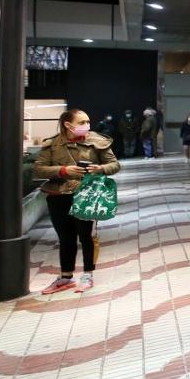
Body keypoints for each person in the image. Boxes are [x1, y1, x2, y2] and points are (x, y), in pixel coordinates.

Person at [33, 110, 121, 294]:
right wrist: (64, 171)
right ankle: (66, 277)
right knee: (65, 237)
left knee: (86, 235)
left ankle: (88, 274)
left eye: (88, 121)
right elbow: (39, 169)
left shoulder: (97, 141)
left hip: (87, 194)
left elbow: (115, 165)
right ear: (68, 124)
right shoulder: (52, 144)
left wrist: (100, 168)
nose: (87, 125)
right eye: (82, 122)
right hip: (59, 196)